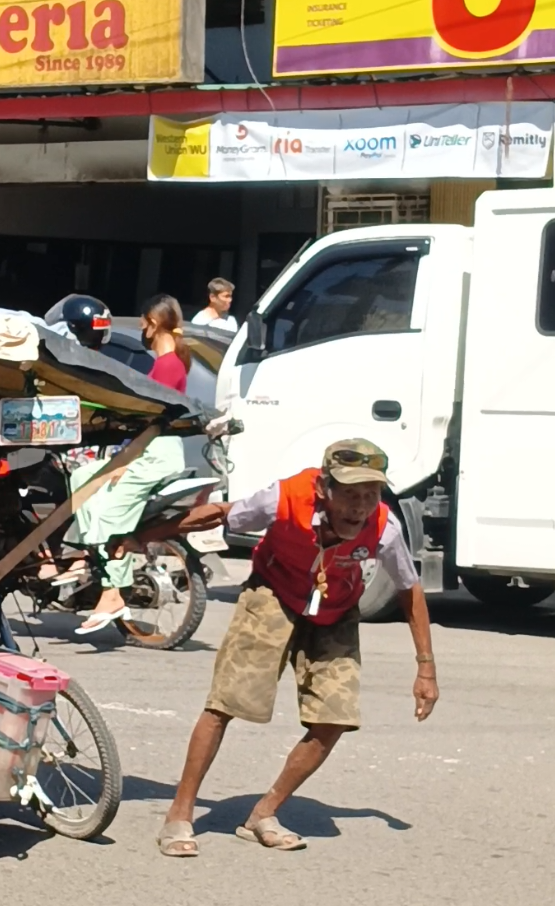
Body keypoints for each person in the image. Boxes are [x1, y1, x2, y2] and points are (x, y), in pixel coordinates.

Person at [110, 440, 439, 856]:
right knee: (225, 703)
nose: (360, 506)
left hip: (334, 609)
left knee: (334, 719)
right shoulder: (283, 499)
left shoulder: (385, 528)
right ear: (324, 488)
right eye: (351, 494)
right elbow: (222, 514)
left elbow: (410, 589)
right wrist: (142, 535)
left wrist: (425, 668)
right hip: (274, 592)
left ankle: (263, 814)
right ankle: (180, 814)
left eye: (370, 495)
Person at [66, 294, 191, 635]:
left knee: (109, 512)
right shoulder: (166, 362)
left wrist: (124, 462)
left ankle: (112, 592)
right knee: (82, 476)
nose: (139, 327)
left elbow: (154, 422)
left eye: (143, 321)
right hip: (146, 448)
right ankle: (89, 555)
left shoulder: (167, 366)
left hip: (154, 453)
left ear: (153, 323)